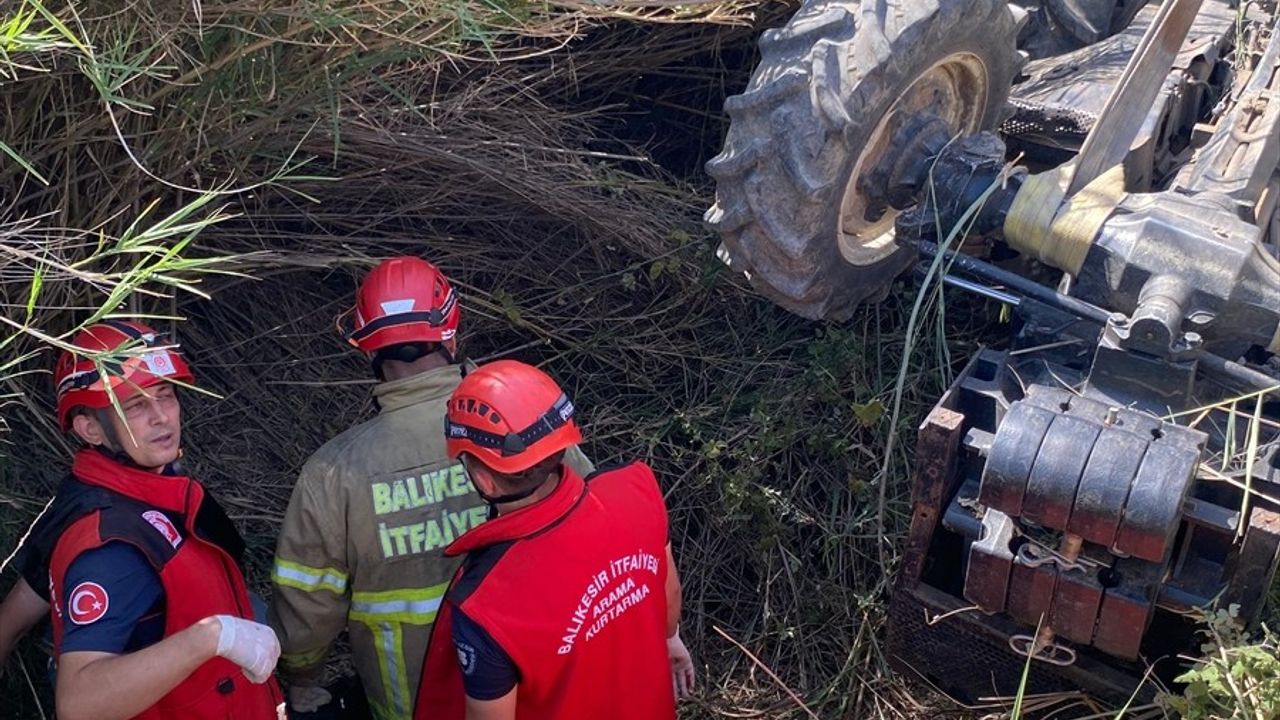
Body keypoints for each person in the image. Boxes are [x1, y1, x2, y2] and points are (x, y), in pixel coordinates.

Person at [269, 257, 594, 720]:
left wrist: (302, 677)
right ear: (451, 333)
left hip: (410, 704)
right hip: (542, 688)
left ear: (367, 349)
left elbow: (307, 608)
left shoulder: (333, 472)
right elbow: (595, 528)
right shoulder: (526, 418)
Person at [412, 360, 695, 720]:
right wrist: (670, 639)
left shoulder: (487, 604)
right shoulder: (636, 488)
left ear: (485, 481)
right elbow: (668, 588)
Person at [40, 319, 284, 720]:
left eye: (165, 395)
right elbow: (79, 704)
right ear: (90, 429)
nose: (161, 417)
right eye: (135, 405)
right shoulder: (112, 544)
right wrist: (212, 637)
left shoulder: (155, 493)